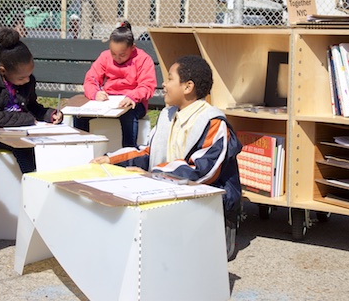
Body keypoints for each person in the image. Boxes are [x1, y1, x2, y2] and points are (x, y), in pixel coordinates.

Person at [91, 55, 243, 261]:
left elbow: (202, 171)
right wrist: (111, 159)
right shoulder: (167, 115)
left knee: (196, 259)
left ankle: (223, 232)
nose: (163, 83)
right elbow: (147, 152)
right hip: (171, 193)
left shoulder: (213, 122)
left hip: (209, 207)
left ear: (188, 87)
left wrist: (153, 176)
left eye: (170, 79)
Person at [0, 27, 63, 173]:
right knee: (24, 150)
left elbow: (31, 106)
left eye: (29, 75)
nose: (27, 80)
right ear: (3, 71)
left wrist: (49, 114)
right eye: (21, 78)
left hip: (22, 130)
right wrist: (24, 119)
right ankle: (30, 180)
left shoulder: (27, 81)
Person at [74, 21, 157, 147]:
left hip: (133, 103)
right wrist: (95, 93)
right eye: (113, 53)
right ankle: (83, 150)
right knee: (80, 115)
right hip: (108, 101)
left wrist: (132, 97)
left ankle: (128, 153)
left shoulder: (143, 59)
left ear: (133, 48)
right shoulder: (105, 57)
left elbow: (147, 85)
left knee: (128, 115)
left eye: (122, 55)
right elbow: (91, 79)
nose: (117, 58)